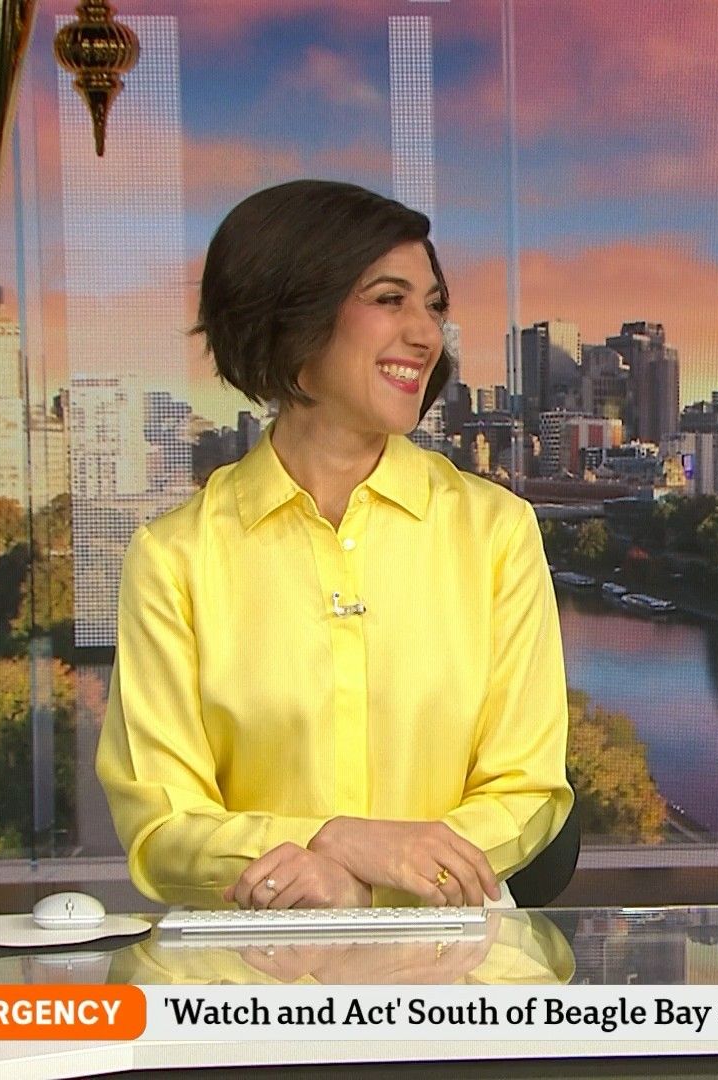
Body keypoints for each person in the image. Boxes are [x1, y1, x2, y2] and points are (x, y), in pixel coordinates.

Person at [97, 180, 571, 910]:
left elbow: (528, 792)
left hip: (451, 959)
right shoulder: (176, 557)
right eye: (389, 299)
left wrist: (378, 874)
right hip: (253, 966)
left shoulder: (495, 533)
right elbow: (162, 827)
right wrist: (331, 844)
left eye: (433, 305)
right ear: (293, 317)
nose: (427, 334)